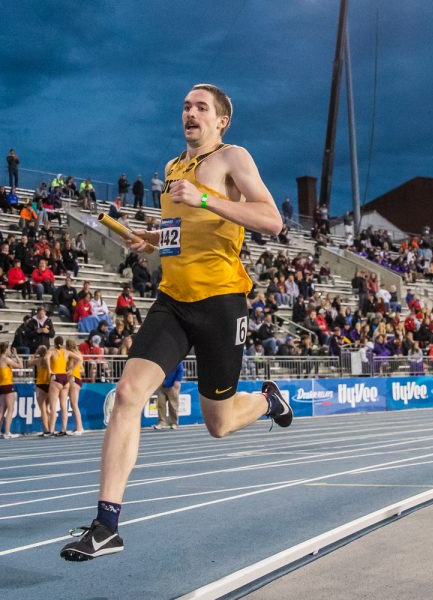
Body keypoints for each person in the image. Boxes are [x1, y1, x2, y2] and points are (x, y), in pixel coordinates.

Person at [61, 83, 292, 561]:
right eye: (185, 106)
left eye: (200, 107)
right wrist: (147, 239)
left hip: (223, 303)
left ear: (220, 120)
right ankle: (106, 525)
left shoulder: (234, 158)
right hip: (173, 300)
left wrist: (206, 199)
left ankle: (267, 400)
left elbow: (271, 221)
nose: (190, 113)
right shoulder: (172, 168)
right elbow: (178, 233)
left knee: (219, 423)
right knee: (126, 395)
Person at [47, 336, 77, 436]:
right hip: (65, 378)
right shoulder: (66, 352)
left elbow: (46, 358)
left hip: (56, 377)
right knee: (64, 405)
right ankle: (64, 429)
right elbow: (79, 358)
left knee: (53, 405)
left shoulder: (52, 351)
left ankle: (51, 430)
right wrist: (71, 369)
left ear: (54, 343)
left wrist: (49, 370)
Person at [0, 342, 23, 439]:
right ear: (5, 350)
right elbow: (20, 366)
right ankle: (7, 432)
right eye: (8, 349)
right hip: (7, 385)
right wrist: (16, 355)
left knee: (1, 410)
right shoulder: (5, 359)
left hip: (1, 385)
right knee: (10, 409)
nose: (9, 350)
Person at [28, 346, 53, 436]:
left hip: (40, 385)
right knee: (48, 409)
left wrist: (35, 354)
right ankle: (51, 428)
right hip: (48, 384)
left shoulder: (38, 360)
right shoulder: (49, 360)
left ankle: (46, 429)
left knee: (43, 409)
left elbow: (28, 363)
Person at [152, 362, 184, 430]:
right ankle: (161, 423)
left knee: (173, 405)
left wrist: (178, 380)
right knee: (160, 404)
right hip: (161, 385)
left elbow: (180, 370)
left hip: (173, 386)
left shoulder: (176, 359)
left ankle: (174, 423)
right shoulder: (161, 360)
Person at [65, 339, 86, 435]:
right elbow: (82, 369)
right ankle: (79, 426)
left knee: (74, 404)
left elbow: (71, 366)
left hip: (73, 378)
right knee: (74, 404)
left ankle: (79, 427)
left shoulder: (70, 354)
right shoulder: (79, 353)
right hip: (78, 378)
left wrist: (70, 370)